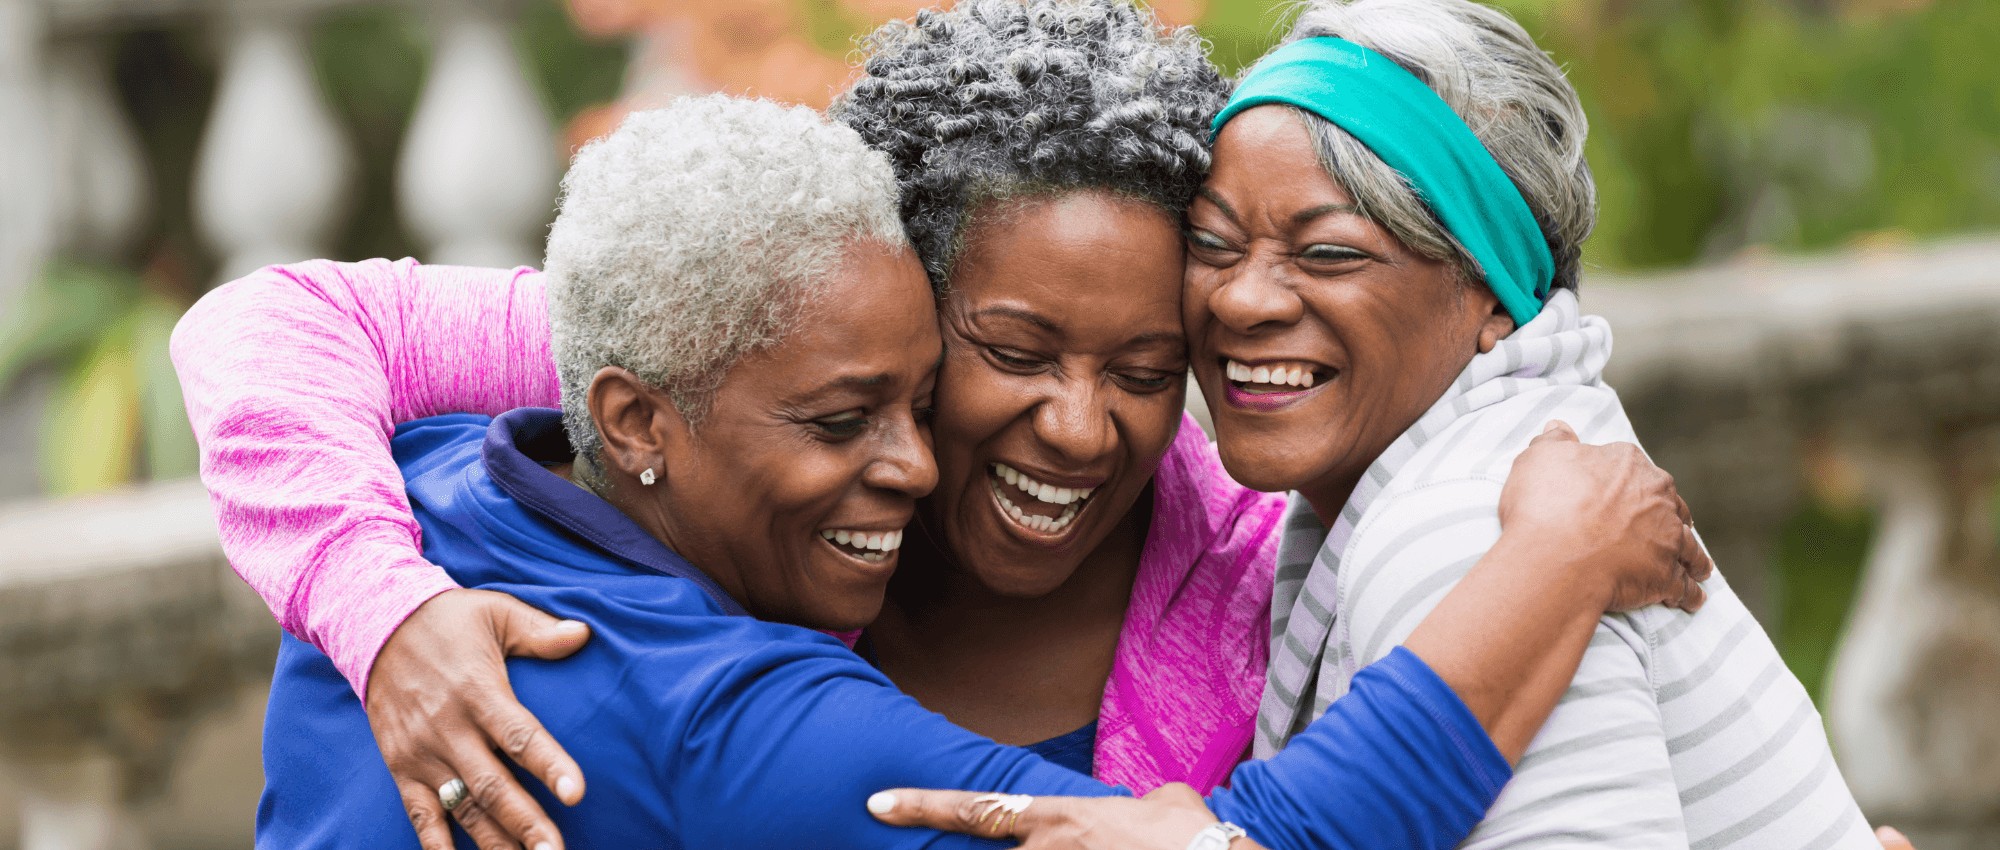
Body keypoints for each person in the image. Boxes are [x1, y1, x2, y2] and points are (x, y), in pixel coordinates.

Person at [247, 95, 1705, 850]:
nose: (903, 459)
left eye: (914, 392)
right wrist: (1556, 560)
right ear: (635, 418)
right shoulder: (742, 724)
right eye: (841, 420)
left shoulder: (430, 488)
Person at [874, 0, 1878, 847]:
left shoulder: (1474, 534)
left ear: (1494, 295)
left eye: (1328, 254)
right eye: (1215, 245)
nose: (1239, 301)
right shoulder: (1503, 501)